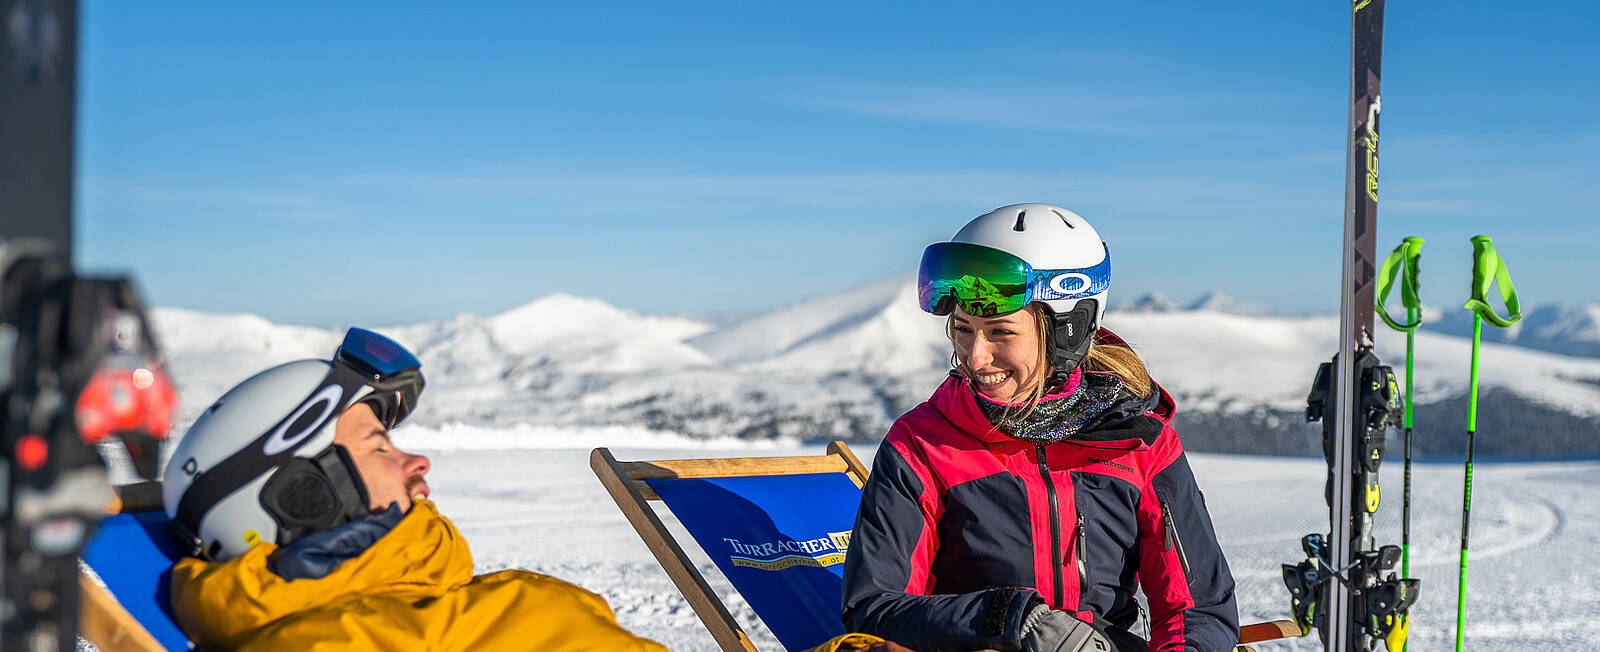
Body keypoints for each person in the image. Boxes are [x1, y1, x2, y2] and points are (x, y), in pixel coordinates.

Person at [841, 204, 1238, 652]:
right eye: (963, 329)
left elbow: (1198, 607)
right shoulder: (922, 444)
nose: (975, 357)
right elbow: (874, 610)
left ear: (1069, 330)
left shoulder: (1140, 439)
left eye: (1001, 332)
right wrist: (1011, 619)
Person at [161, 327, 666, 651]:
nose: (419, 461)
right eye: (380, 447)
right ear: (300, 497)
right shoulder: (336, 639)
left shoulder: (416, 602)